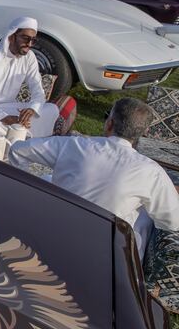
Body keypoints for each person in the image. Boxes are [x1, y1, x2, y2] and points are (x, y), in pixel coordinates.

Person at [9, 98, 179, 258]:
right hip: (104, 254)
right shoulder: (151, 172)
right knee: (145, 213)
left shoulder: (75, 144)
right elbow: (173, 221)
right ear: (144, 132)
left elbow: (17, 150)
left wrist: (21, 191)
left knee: (49, 178)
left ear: (110, 123)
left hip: (51, 232)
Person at [0, 16, 59, 138]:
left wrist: (32, 109)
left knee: (51, 109)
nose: (29, 44)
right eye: (25, 38)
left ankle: (15, 133)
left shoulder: (30, 57)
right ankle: (21, 137)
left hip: (7, 107)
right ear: (12, 36)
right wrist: (4, 118)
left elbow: (38, 92)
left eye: (33, 40)